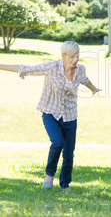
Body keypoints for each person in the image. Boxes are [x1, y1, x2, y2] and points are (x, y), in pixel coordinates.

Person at [0, 41, 100, 191]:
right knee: (57, 143)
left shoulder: (80, 70)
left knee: (68, 153)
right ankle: (49, 175)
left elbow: (85, 80)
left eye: (77, 56)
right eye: (72, 57)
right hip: (50, 112)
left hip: (70, 115)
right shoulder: (51, 67)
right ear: (63, 56)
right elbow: (26, 69)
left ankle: (65, 184)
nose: (75, 60)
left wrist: (94, 89)